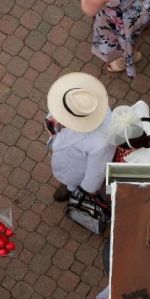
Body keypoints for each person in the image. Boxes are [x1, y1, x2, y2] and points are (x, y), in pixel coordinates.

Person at [45, 72, 115, 202]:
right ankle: (67, 185)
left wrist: (86, 190)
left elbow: (97, 170)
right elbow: (56, 111)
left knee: (72, 181)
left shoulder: (101, 142)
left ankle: (70, 188)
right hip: (67, 158)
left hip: (77, 168)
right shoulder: (79, 101)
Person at [80, 0, 150, 78]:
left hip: (124, 20)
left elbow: (89, 9)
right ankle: (145, 29)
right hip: (147, 6)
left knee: (123, 39)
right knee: (139, 27)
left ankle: (129, 56)